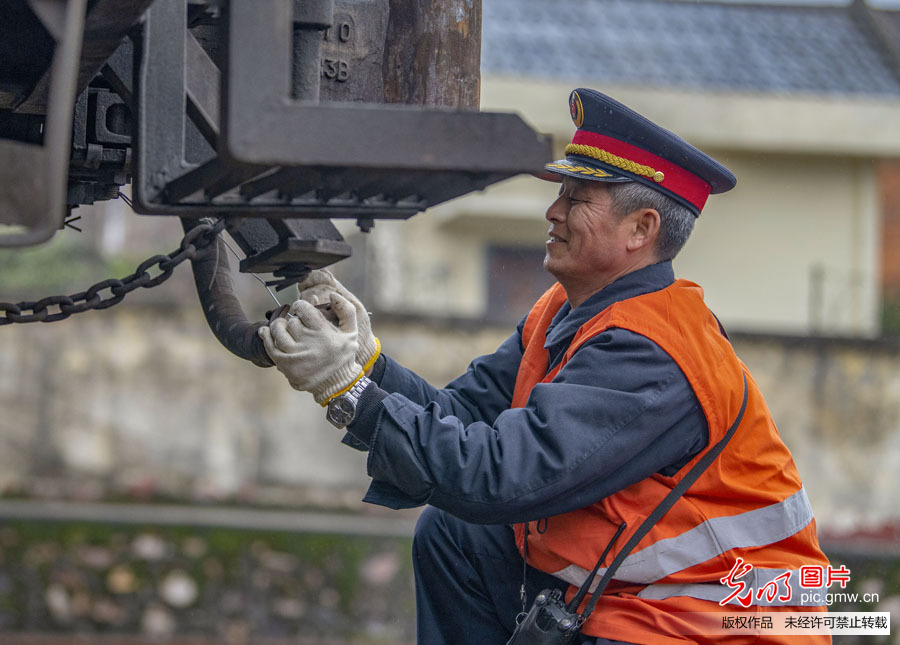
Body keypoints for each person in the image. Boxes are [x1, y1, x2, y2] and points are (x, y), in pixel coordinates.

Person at [259, 88, 832, 644]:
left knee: (475, 514)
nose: (553, 211)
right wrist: (366, 363)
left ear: (641, 230)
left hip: (716, 624)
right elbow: (464, 415)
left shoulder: (653, 351)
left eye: (578, 198)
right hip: (632, 597)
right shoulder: (569, 311)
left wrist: (349, 394)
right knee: (458, 534)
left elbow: (503, 478)